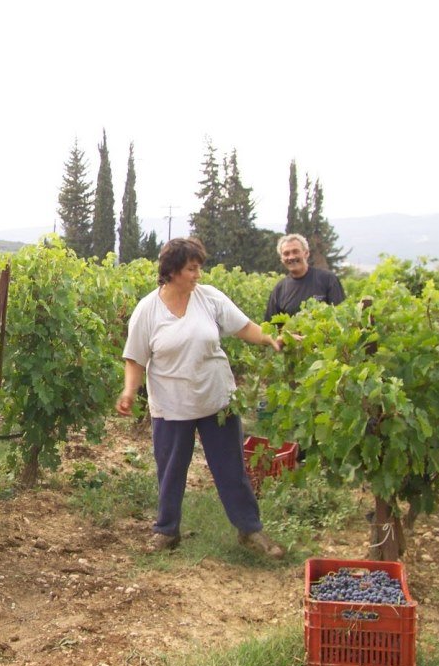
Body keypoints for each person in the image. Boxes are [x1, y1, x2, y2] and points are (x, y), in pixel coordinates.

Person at [116, 237, 286, 558]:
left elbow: (245, 327)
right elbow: (135, 358)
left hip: (217, 400)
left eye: (198, 268)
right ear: (173, 270)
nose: (198, 275)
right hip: (171, 405)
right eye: (192, 269)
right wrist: (129, 391)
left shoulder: (209, 299)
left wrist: (270, 339)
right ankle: (167, 531)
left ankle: (250, 530)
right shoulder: (148, 310)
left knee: (230, 468)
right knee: (170, 471)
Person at [264, 233, 345, 321]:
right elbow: (271, 328)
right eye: (286, 254)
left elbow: (341, 316)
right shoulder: (279, 290)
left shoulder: (328, 279)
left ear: (306, 253)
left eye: (295, 251)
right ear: (281, 259)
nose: (291, 257)